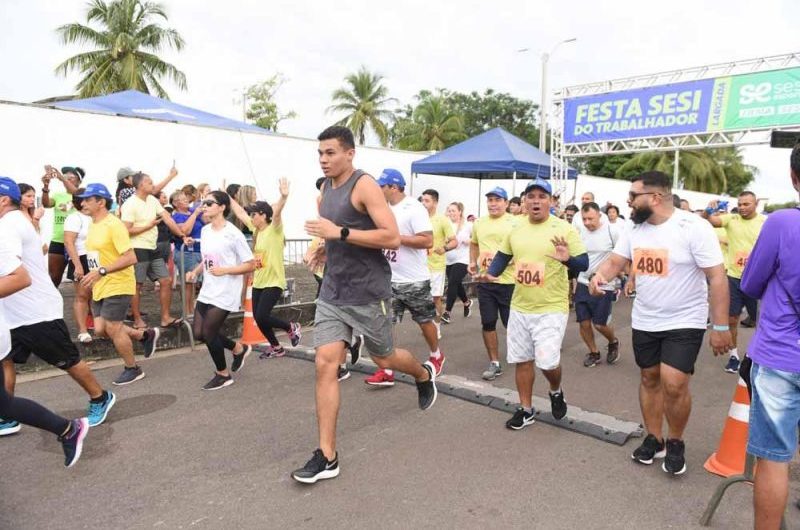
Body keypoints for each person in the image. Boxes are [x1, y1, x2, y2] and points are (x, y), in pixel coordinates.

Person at [295, 126, 436, 484]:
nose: (324, 160)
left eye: (330, 153)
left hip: (368, 292)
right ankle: (327, 455)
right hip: (333, 291)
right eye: (320, 154)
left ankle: (421, 374)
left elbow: (390, 236)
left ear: (349, 154)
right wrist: (325, 248)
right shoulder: (326, 188)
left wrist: (338, 234)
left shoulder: (365, 185)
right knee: (326, 365)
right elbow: (337, 231)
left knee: (385, 358)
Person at [590, 170, 732, 475]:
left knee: (674, 383)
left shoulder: (693, 227)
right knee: (649, 378)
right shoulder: (634, 228)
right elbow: (616, 261)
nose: (627, 202)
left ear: (654, 197)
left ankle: (676, 441)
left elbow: (717, 277)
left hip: (685, 319)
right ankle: (655, 438)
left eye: (632, 196)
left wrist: (720, 327)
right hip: (645, 318)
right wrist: (600, 275)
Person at [0, 176, 116, 433]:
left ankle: (100, 397)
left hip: (36, 312)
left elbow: (20, 278)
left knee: (67, 360)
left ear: (4, 200)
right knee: (4, 361)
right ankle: (6, 414)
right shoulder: (14, 221)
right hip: (13, 313)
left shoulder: (8, 226)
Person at [482, 177, 588, 430]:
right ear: (525, 201)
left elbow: (583, 264)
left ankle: (555, 389)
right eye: (531, 196)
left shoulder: (564, 228)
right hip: (520, 306)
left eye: (542, 196)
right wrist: (490, 273)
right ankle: (526, 409)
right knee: (522, 360)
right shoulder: (516, 228)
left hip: (551, 307)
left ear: (551, 201)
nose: (536, 201)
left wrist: (567, 259)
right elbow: (503, 255)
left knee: (547, 362)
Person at [740, 144, 800, 530]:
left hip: (782, 355)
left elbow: (751, 283)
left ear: (795, 178)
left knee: (775, 457)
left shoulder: (782, 224)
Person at [0, 227, 89, 467]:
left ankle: (76, 420)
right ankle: (67, 429)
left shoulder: (7, 233)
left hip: (35, 316)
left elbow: (21, 277)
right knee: (4, 404)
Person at [365, 169, 444, 386]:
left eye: (382, 186)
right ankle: (387, 370)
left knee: (424, 321)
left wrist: (395, 238)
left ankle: (436, 354)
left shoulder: (414, 208)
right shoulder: (382, 210)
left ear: (393, 187)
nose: (378, 190)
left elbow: (427, 241)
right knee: (385, 324)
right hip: (389, 279)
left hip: (414, 279)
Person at [79, 184, 161, 385]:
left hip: (118, 283)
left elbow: (131, 257)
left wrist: (102, 271)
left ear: (101, 202)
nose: (83, 203)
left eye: (88, 199)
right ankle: (144, 336)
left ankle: (132, 368)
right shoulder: (93, 224)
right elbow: (97, 255)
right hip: (100, 284)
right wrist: (91, 272)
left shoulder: (114, 225)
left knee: (113, 328)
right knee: (99, 329)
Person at [186, 191, 255, 390]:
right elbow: (207, 259)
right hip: (208, 288)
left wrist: (225, 270)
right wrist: (195, 271)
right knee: (199, 333)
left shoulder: (233, 233)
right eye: (203, 203)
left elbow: (250, 264)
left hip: (226, 290)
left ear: (222, 207)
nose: (204, 206)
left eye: (209, 203)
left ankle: (223, 374)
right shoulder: (206, 231)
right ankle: (238, 348)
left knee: (209, 333)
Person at [228, 179, 302, 358]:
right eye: (251, 215)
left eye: (254, 214)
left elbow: (277, 214)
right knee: (258, 317)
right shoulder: (256, 230)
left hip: (274, 281)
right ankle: (276, 347)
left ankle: (290, 327)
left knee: (261, 316)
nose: (251, 217)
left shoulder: (274, 229)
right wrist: (227, 197)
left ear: (263, 215)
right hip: (259, 281)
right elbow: (239, 212)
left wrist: (283, 197)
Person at [702, 191, 766, 374]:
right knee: (732, 320)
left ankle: (759, 354)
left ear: (755, 204)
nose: (743, 207)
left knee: (761, 322)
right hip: (734, 278)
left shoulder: (764, 223)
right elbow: (711, 221)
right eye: (740, 204)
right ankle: (734, 356)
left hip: (759, 280)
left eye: (747, 204)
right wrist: (708, 211)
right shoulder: (732, 219)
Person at [120, 171, 187, 330]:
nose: (153, 185)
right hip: (137, 247)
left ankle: (165, 317)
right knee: (137, 285)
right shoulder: (130, 204)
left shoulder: (152, 200)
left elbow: (168, 218)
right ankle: (137, 319)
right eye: (149, 182)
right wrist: (147, 227)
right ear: (141, 185)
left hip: (153, 246)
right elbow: (126, 230)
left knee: (166, 281)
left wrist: (181, 234)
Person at [469, 187, 517, 381]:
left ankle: (523, 355)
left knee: (510, 324)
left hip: (509, 282)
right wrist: (472, 262)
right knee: (488, 322)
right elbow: (474, 244)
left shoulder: (515, 223)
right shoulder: (479, 223)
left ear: (506, 203)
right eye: (490, 200)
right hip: (485, 281)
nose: (493, 204)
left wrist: (513, 259)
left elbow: (522, 246)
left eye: (497, 200)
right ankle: (494, 362)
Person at [575, 202, 621, 367]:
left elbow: (621, 256)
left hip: (603, 284)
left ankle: (613, 341)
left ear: (600, 216)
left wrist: (624, 279)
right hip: (582, 282)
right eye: (584, 219)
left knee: (600, 324)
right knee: (583, 322)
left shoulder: (612, 231)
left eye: (591, 219)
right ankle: (594, 352)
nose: (587, 223)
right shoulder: (580, 231)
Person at [421, 189, 456, 337]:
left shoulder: (442, 220)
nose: (423, 203)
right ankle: (427, 326)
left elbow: (454, 241)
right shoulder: (419, 218)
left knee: (435, 298)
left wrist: (445, 248)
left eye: (427, 200)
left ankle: (436, 326)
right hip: (420, 265)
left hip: (436, 265)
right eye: (422, 200)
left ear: (435, 202)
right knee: (422, 299)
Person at [41, 165, 82, 287]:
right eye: (66, 176)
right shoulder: (58, 196)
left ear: (79, 181)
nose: (68, 179)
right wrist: (46, 186)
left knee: (81, 279)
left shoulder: (83, 194)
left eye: (71, 177)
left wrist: (61, 178)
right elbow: (46, 204)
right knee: (53, 278)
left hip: (78, 243)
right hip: (58, 240)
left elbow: (77, 196)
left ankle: (85, 304)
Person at [64, 189, 94, 343]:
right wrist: (77, 265)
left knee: (99, 296)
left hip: (97, 258)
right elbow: (69, 242)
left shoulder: (96, 217)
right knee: (82, 295)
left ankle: (98, 325)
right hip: (81, 257)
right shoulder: (74, 218)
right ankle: (82, 330)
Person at [170, 191, 204, 317]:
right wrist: (195, 214)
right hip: (186, 252)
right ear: (175, 203)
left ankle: (191, 309)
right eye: (182, 200)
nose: (186, 201)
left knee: (193, 283)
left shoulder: (192, 212)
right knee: (188, 283)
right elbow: (185, 230)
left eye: (186, 199)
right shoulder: (177, 216)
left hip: (197, 250)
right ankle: (187, 311)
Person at [442, 201, 473, 324]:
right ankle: (467, 302)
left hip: (463, 259)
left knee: (453, 282)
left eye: (453, 210)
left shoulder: (468, 225)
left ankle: (447, 312)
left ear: (460, 211)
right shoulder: (447, 224)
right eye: (449, 211)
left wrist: (468, 241)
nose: (451, 213)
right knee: (456, 283)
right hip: (449, 259)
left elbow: (477, 239)